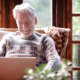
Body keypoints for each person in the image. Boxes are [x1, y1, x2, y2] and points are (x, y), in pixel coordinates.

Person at [0, 3, 61, 71]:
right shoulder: (7, 39)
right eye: (20, 23)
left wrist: (41, 76)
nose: (24, 26)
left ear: (35, 20)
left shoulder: (45, 40)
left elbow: (56, 62)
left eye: (27, 21)